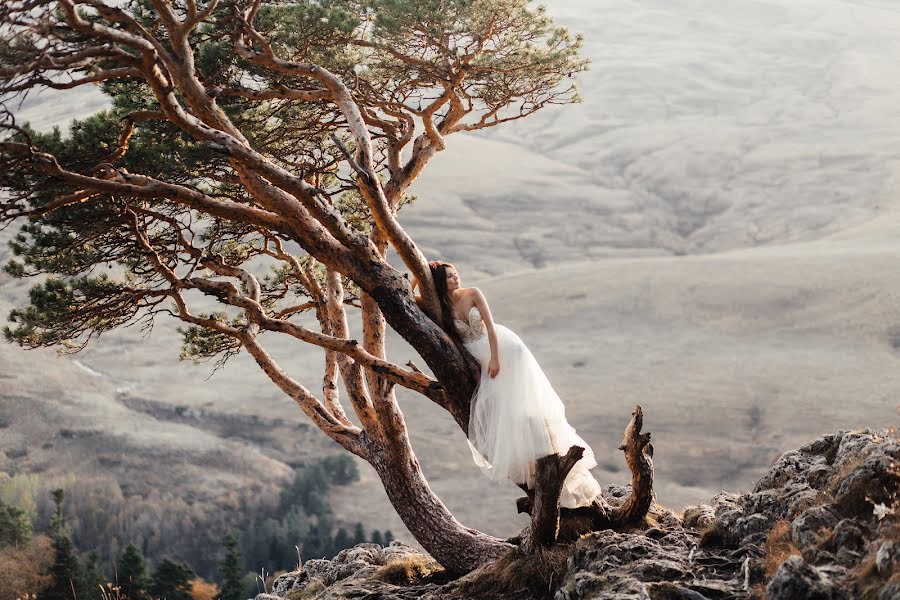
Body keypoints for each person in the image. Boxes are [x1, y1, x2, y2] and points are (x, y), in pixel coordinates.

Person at [411, 260, 603, 508]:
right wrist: (420, 272)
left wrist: (494, 360)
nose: (456, 278)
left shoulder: (473, 293)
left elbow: (490, 328)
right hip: (475, 355)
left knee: (524, 404)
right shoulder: (437, 306)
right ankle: (533, 468)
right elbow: (406, 294)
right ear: (439, 282)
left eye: (456, 273)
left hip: (503, 348)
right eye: (449, 276)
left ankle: (554, 457)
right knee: (507, 412)